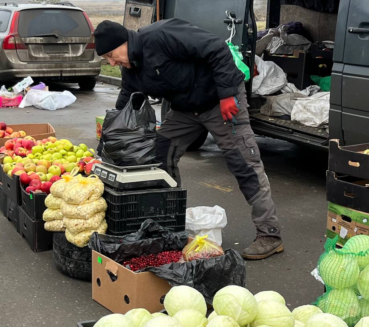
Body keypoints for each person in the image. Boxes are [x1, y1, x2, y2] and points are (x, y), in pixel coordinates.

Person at [95, 18, 284, 260]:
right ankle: (169, 224)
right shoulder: (131, 67)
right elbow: (127, 99)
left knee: (244, 163)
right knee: (158, 157)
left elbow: (217, 49)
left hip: (220, 101)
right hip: (185, 110)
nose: (112, 62)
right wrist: (109, 137)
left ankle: (270, 234)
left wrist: (226, 94)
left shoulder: (161, 35)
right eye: (106, 59)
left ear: (125, 41)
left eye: (112, 54)